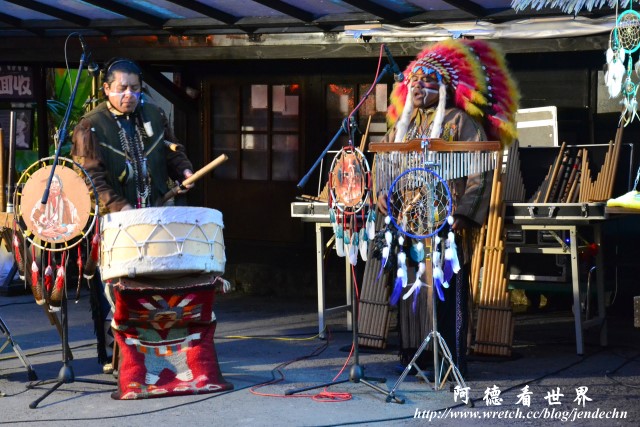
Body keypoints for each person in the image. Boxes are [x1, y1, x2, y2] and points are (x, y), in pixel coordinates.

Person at [378, 39, 520, 376]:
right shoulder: (403, 126)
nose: (418, 87)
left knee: (448, 289)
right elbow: (384, 163)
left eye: (427, 81)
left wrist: (463, 212)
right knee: (411, 288)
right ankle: (415, 355)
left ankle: (452, 357)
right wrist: (382, 192)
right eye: (413, 81)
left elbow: (479, 169)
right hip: (409, 222)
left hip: (446, 220)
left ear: (442, 88)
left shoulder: (460, 122)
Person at [71, 58, 195, 369]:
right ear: (106, 89)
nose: (129, 95)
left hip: (151, 217)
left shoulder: (153, 113)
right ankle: (118, 358)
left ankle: (153, 349)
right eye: (122, 89)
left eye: (135, 89)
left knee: (152, 287)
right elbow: (90, 178)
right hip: (113, 224)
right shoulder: (91, 125)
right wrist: (120, 207)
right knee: (115, 291)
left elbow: (172, 150)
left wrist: (184, 171)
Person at [30, 174, 80, 241]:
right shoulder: (41, 202)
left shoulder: (67, 202)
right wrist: (42, 231)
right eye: (51, 182)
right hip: (45, 239)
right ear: (48, 186)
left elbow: (77, 223)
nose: (54, 185)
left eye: (56, 182)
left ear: (60, 185)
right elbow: (32, 219)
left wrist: (65, 229)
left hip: (65, 240)